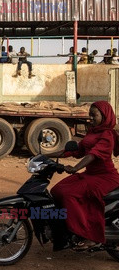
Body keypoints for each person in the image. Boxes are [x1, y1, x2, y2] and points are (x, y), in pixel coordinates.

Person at [50, 101, 119, 251]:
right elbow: (77, 150)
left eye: (94, 115)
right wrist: (45, 155)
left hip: (105, 177)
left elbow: (93, 155)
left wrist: (76, 168)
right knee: (56, 190)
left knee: (69, 194)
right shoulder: (93, 131)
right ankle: (64, 229)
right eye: (90, 115)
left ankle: (90, 236)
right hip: (90, 174)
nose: (91, 118)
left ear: (105, 115)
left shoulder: (107, 134)